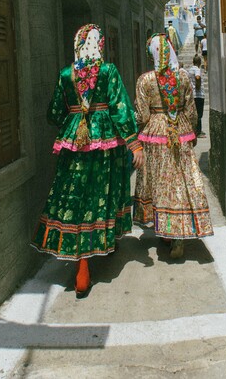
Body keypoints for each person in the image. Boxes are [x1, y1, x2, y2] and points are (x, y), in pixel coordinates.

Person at [31, 23, 143, 297]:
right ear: (99, 45)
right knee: (101, 194)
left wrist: (74, 115)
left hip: (74, 143)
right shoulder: (108, 71)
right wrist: (134, 142)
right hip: (105, 143)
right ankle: (97, 248)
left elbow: (54, 113)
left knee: (75, 197)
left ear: (78, 45)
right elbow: (119, 107)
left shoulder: (65, 74)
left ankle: (81, 267)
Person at [133, 33, 213, 258]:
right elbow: (190, 108)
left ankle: (166, 231)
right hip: (181, 132)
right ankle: (178, 233)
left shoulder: (145, 80)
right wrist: (192, 131)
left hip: (156, 136)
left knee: (161, 183)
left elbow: (142, 114)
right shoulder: (183, 77)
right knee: (181, 182)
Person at [188, 54, 206, 138]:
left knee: (194, 113)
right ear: (199, 62)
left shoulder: (190, 70)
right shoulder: (197, 69)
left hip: (193, 94)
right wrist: (198, 87)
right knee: (199, 114)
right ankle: (198, 132)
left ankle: (194, 131)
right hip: (198, 95)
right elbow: (198, 77)